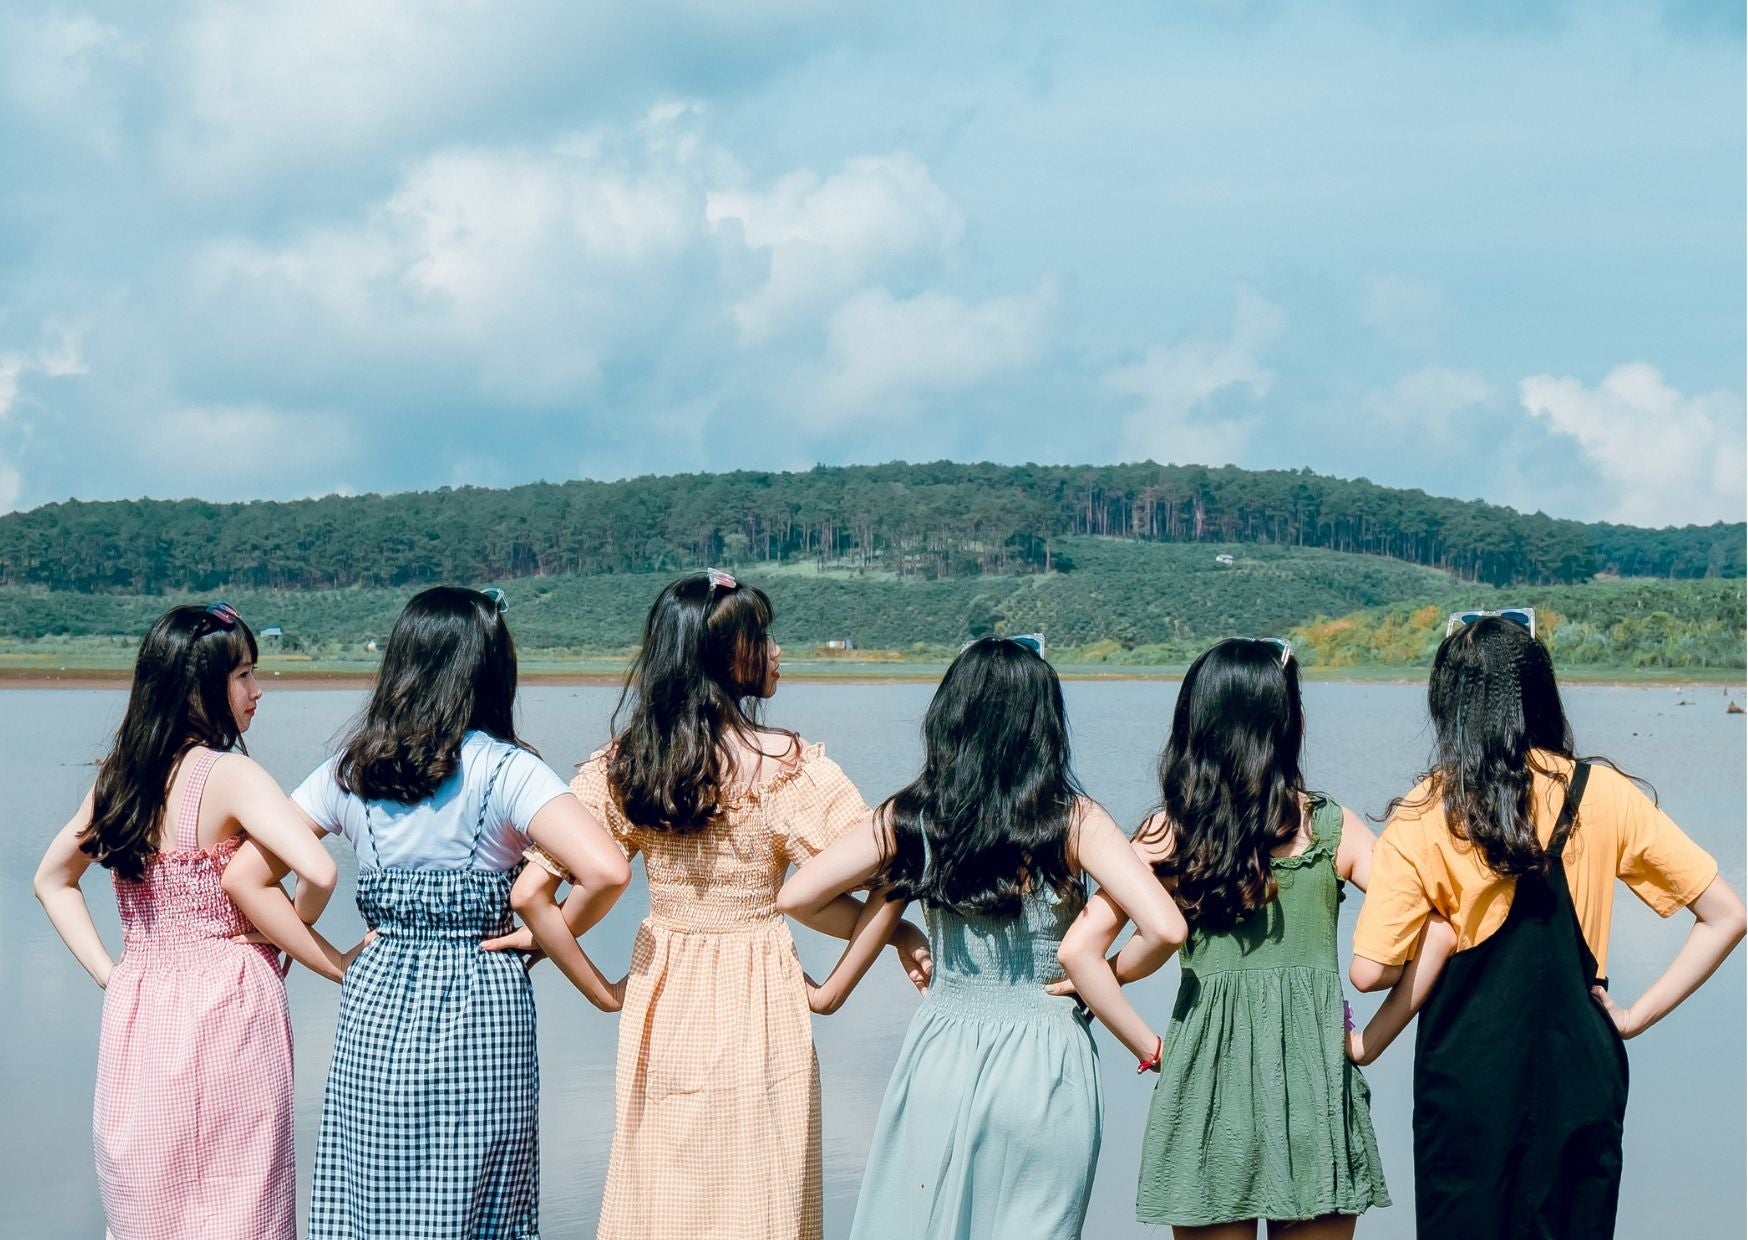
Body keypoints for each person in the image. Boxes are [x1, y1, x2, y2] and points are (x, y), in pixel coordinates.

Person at [534, 568, 930, 1240]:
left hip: (661, 987)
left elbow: (537, 895)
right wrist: (857, 969)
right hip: (761, 988)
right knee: (762, 1191)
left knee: (662, 1191)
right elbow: (894, 869)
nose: (778, 652)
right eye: (765, 638)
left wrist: (602, 991)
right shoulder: (790, 768)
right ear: (729, 657)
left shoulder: (627, 765)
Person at [227, 585, 631, 1238]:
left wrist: (334, 963)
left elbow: (247, 877)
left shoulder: (351, 770)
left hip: (377, 995)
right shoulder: (507, 771)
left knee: (372, 1196)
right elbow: (607, 871)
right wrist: (538, 939)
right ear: (488, 666)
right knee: (480, 1203)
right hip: (482, 998)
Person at [1351, 615, 1747, 1239]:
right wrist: (1634, 1017)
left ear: (1448, 702)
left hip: (1467, 1082)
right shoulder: (1605, 792)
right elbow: (1728, 916)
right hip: (1581, 1068)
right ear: (1539, 691)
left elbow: (1371, 972)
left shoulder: (1426, 810)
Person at [780, 636, 1185, 1240]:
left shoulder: (914, 815)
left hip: (942, 1046)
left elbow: (797, 898)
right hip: (1048, 1056)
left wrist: (903, 934)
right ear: (1044, 722)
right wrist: (1102, 975)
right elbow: (1166, 927)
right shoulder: (1073, 819)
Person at [1055, 637, 1396, 1239]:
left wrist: (1148, 1045)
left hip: (1207, 1085)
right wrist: (1370, 1038)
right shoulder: (1329, 827)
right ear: (1288, 724)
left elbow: (1079, 953)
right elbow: (1429, 925)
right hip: (1314, 1085)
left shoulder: (1167, 835)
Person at [33, 602, 342, 1240]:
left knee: (151, 1197)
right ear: (199, 684)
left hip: (141, 1006)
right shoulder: (230, 774)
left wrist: (111, 974)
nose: (258, 692)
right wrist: (277, 937)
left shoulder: (123, 778)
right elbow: (318, 871)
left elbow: (53, 880)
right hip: (232, 1002)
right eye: (244, 676)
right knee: (242, 1199)